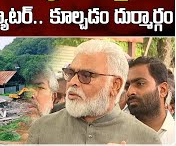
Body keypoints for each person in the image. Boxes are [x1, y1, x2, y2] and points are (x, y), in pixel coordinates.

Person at [27, 40, 161, 144]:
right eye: (70, 73)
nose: (73, 82)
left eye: (86, 75)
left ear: (115, 85)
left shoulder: (147, 139)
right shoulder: (41, 129)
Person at [126, 56, 175, 144]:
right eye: (127, 86)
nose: (129, 92)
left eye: (140, 83)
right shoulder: (116, 132)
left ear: (163, 90)